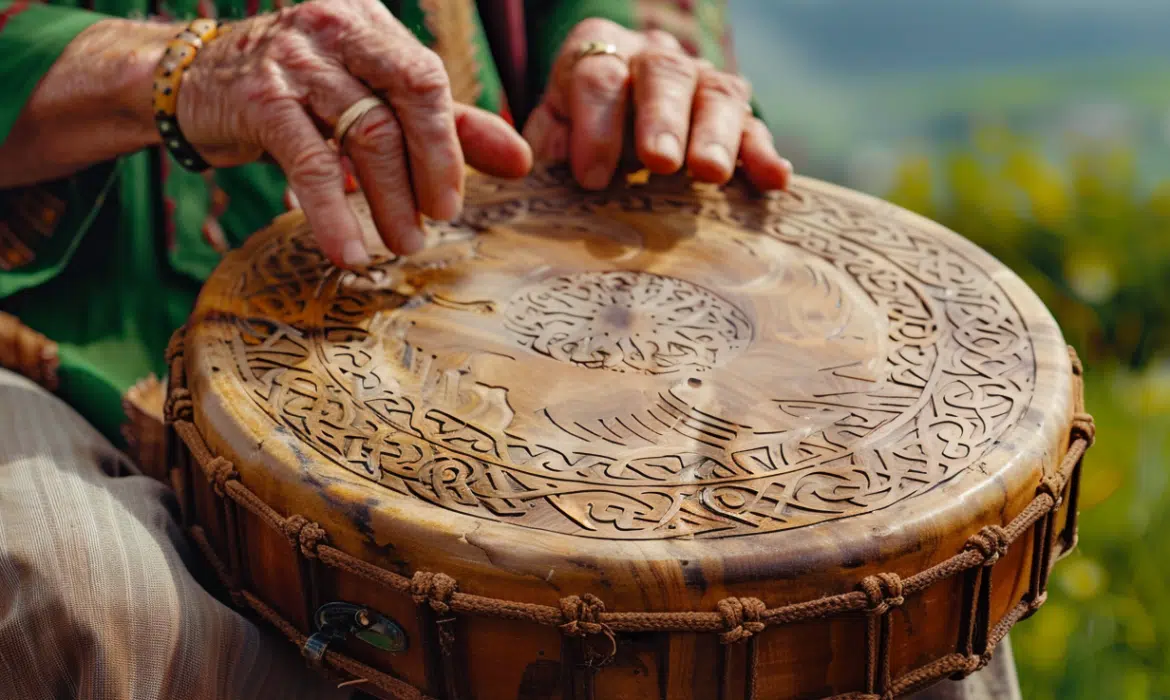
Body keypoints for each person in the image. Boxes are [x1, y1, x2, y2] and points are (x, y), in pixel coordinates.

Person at [0, 1, 1018, 698]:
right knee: (63, 576)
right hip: (48, 322)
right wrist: (167, 69)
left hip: (472, 256)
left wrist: (613, 47)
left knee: (880, 545)